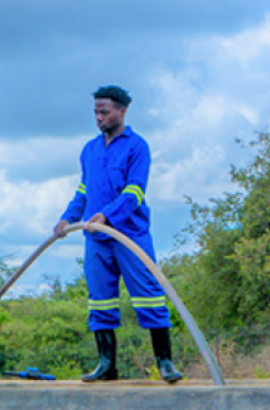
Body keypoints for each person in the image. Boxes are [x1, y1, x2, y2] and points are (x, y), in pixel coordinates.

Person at [54, 86, 182, 383]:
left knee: (149, 297)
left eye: (104, 112)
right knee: (100, 301)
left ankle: (164, 362)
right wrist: (67, 218)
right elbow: (84, 190)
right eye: (95, 112)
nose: (98, 118)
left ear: (122, 111)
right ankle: (106, 365)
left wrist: (108, 215)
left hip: (131, 236)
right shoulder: (89, 149)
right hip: (96, 239)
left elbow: (135, 190)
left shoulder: (137, 146)